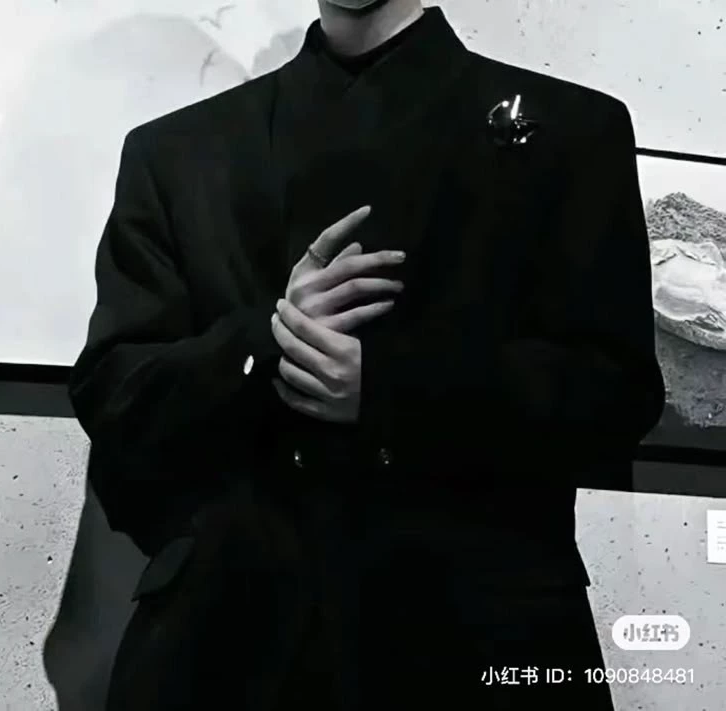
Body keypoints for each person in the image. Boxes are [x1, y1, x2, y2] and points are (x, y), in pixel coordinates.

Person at [64, 0, 665, 709]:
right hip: (228, 645)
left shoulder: (572, 131)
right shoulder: (174, 152)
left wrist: (388, 389)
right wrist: (266, 343)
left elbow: (614, 394)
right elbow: (115, 393)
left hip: (479, 642)